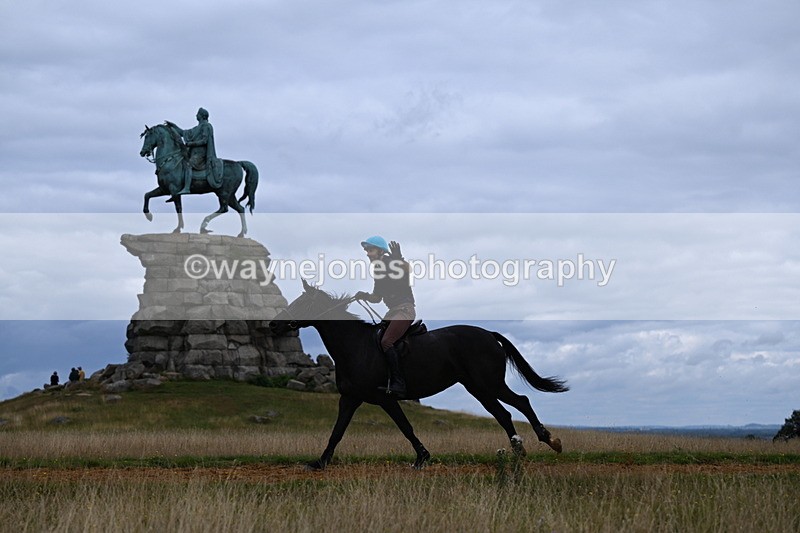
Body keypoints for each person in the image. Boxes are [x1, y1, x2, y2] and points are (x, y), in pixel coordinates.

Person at [354, 236, 415, 399]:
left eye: (370, 250)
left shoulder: (391, 262)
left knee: (386, 341)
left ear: (381, 251)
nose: (367, 253)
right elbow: (377, 297)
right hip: (392, 312)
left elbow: (408, 270)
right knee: (375, 339)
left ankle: (399, 384)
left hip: (405, 310)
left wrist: (398, 258)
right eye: (366, 251)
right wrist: (364, 296)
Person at [164, 107, 222, 194]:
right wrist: (173, 126)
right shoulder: (197, 128)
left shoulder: (206, 126)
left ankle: (187, 188)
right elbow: (183, 133)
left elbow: (204, 141)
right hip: (193, 153)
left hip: (201, 154)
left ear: (202, 116)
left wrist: (191, 144)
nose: (196, 115)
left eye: (198, 114)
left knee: (188, 164)